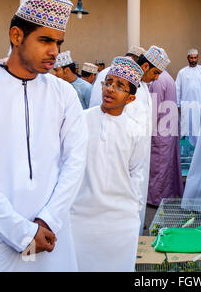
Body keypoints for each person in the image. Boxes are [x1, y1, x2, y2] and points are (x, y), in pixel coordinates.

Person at [0, 0, 88, 271]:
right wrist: (22, 231)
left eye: (59, 43)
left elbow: (76, 161)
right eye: (45, 41)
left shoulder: (64, 94)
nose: (55, 52)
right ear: (17, 35)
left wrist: (48, 220)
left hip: (51, 239)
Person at [70, 56, 145, 272]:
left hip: (120, 222)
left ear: (130, 98)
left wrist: (134, 211)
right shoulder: (80, 120)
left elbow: (136, 174)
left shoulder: (136, 130)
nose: (110, 89)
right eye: (108, 82)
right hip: (80, 218)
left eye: (119, 86)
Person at [126, 45, 170, 234]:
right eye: (156, 72)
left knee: (139, 195)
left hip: (140, 156)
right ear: (144, 67)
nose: (157, 77)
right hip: (127, 155)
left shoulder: (143, 86)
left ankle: (137, 227)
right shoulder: (128, 84)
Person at [147, 70, 183, 206]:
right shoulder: (168, 77)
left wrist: (147, 130)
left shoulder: (158, 80)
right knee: (168, 165)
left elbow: (154, 110)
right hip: (169, 130)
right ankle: (167, 195)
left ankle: (155, 199)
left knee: (159, 167)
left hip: (160, 131)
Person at [175, 48, 201, 147]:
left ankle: (200, 150)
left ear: (198, 58)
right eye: (191, 58)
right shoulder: (182, 72)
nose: (193, 60)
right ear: (188, 58)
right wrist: (178, 104)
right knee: (188, 128)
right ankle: (188, 153)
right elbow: (177, 89)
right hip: (186, 107)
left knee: (200, 129)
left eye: (195, 58)